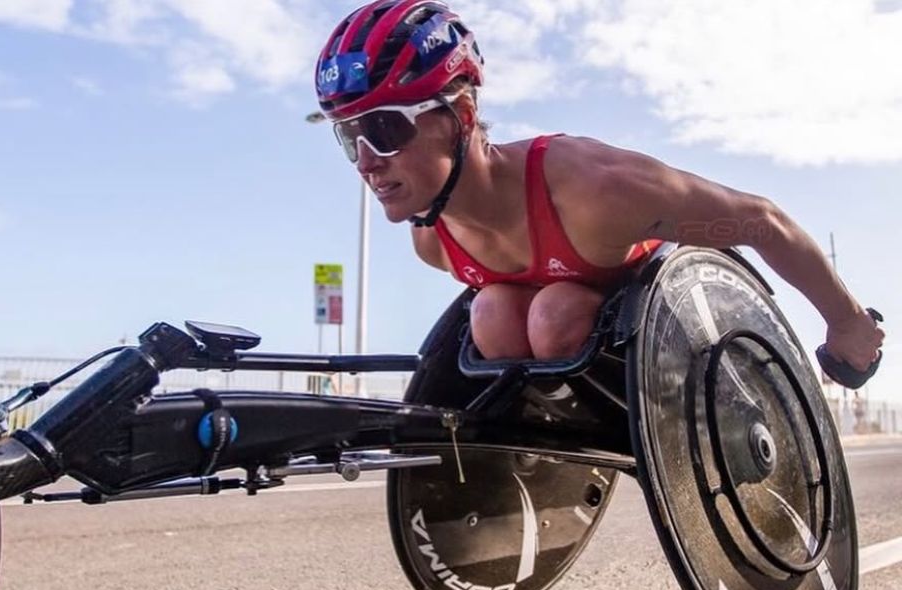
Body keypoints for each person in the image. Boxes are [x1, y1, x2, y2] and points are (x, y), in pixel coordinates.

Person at [314, 0, 883, 377]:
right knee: (490, 313)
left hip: (672, 327)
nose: (366, 161)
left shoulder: (593, 191)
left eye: (385, 129)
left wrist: (848, 324)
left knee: (554, 314)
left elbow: (761, 221)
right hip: (568, 351)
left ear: (461, 114)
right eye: (349, 136)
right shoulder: (433, 242)